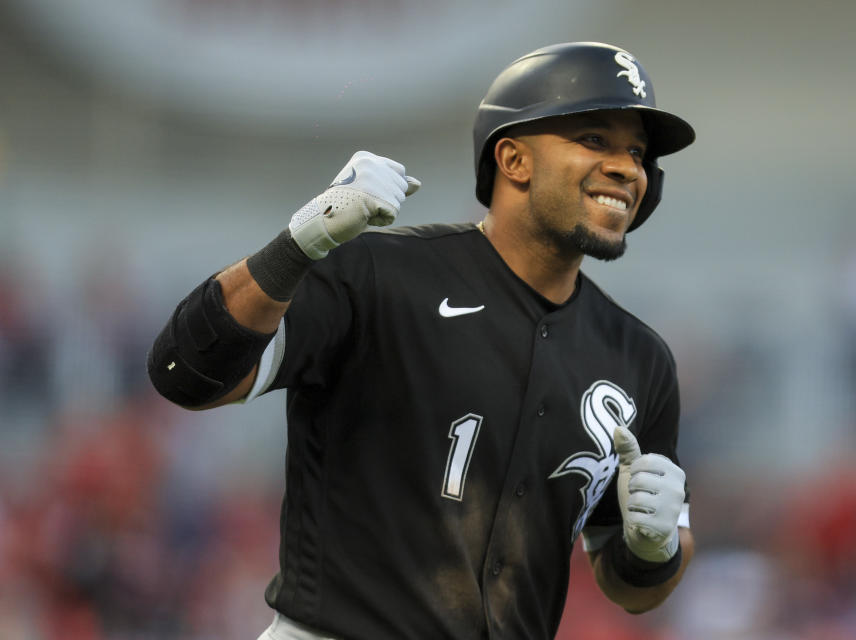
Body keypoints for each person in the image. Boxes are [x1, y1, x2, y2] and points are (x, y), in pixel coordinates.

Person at [148, 41, 696, 640]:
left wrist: (654, 548)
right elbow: (188, 373)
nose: (628, 168)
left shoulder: (639, 358)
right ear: (513, 160)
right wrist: (296, 248)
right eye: (595, 140)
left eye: (638, 153)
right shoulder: (381, 273)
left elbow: (633, 589)